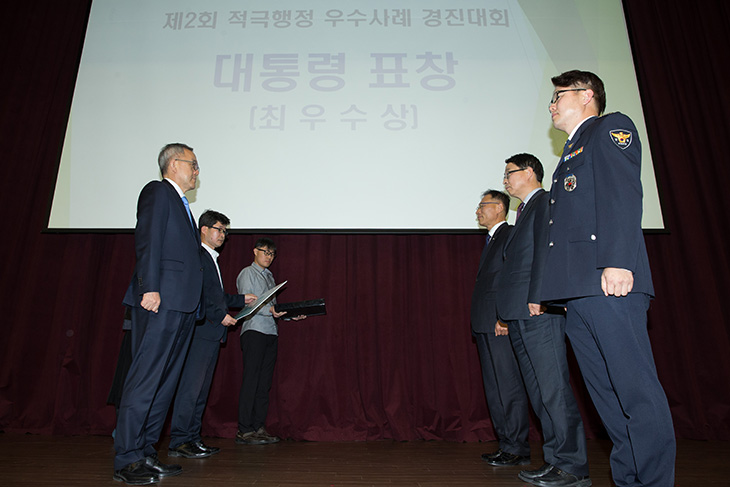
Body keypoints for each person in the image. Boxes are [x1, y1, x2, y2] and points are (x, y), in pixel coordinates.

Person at [543, 70, 675, 487]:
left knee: (636, 392)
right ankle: (630, 481)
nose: (551, 104)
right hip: (579, 292)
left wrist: (619, 261)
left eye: (557, 95)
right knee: (607, 398)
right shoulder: (568, 151)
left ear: (585, 96)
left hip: (609, 281)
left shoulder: (609, 128)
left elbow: (623, 193)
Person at [496, 153, 590, 487]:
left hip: (538, 311)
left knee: (553, 391)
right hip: (520, 312)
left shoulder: (546, 202)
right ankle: (555, 461)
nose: (505, 179)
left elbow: (548, 252)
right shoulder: (522, 212)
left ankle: (572, 467)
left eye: (510, 173)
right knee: (539, 394)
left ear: (531, 172)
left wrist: (540, 295)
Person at [114, 143, 204, 485]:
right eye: (193, 164)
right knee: (144, 380)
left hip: (182, 305)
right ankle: (126, 459)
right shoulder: (158, 192)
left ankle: (146, 453)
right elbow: (147, 241)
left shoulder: (183, 206)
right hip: (159, 300)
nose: (197, 171)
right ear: (173, 164)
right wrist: (148, 287)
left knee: (164, 384)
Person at [168, 210, 257, 459]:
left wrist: (241, 300)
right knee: (190, 389)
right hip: (200, 332)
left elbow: (215, 295)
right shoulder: (198, 255)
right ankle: (179, 441)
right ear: (204, 230)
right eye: (219, 229)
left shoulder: (212, 258)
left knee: (201, 390)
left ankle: (192, 438)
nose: (223, 235)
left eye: (225, 231)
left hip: (210, 333)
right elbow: (199, 295)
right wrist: (220, 316)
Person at [471, 190, 531, 466]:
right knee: (494, 387)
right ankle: (506, 443)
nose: (478, 210)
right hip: (484, 324)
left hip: (499, 324)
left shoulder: (509, 234)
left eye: (483, 205)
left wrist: (504, 318)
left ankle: (517, 447)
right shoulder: (492, 239)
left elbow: (511, 280)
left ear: (499, 208)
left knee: (508, 385)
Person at [235, 238, 305, 445]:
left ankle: (258, 427)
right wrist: (271, 311)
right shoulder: (248, 273)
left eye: (272, 254)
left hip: (270, 333)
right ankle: (244, 429)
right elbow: (249, 304)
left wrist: (290, 315)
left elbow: (273, 309)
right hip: (254, 331)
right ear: (254, 251)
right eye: (265, 252)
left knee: (263, 383)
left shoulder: (270, 276)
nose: (268, 256)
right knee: (251, 381)